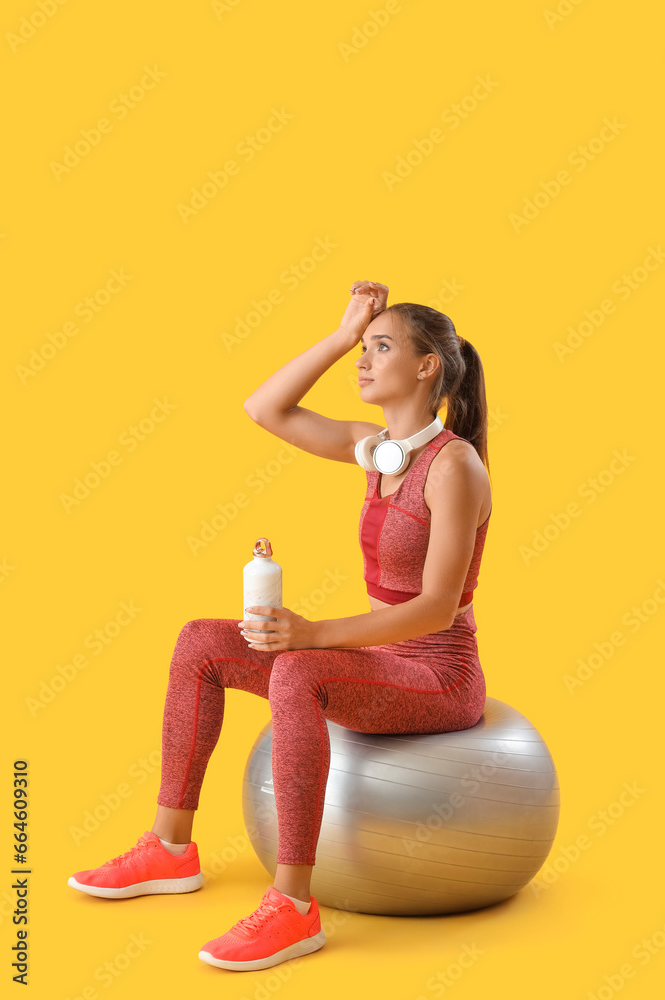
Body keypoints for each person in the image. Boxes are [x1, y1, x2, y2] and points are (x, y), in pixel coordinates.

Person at [67, 280, 493, 973]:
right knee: (200, 643)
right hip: (378, 658)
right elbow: (263, 408)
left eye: (378, 348)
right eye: (360, 348)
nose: (361, 360)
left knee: (297, 667)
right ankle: (170, 848)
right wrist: (338, 332)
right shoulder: (376, 450)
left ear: (426, 367)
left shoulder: (455, 467)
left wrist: (309, 634)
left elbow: (437, 608)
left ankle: (293, 907)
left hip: (438, 676)